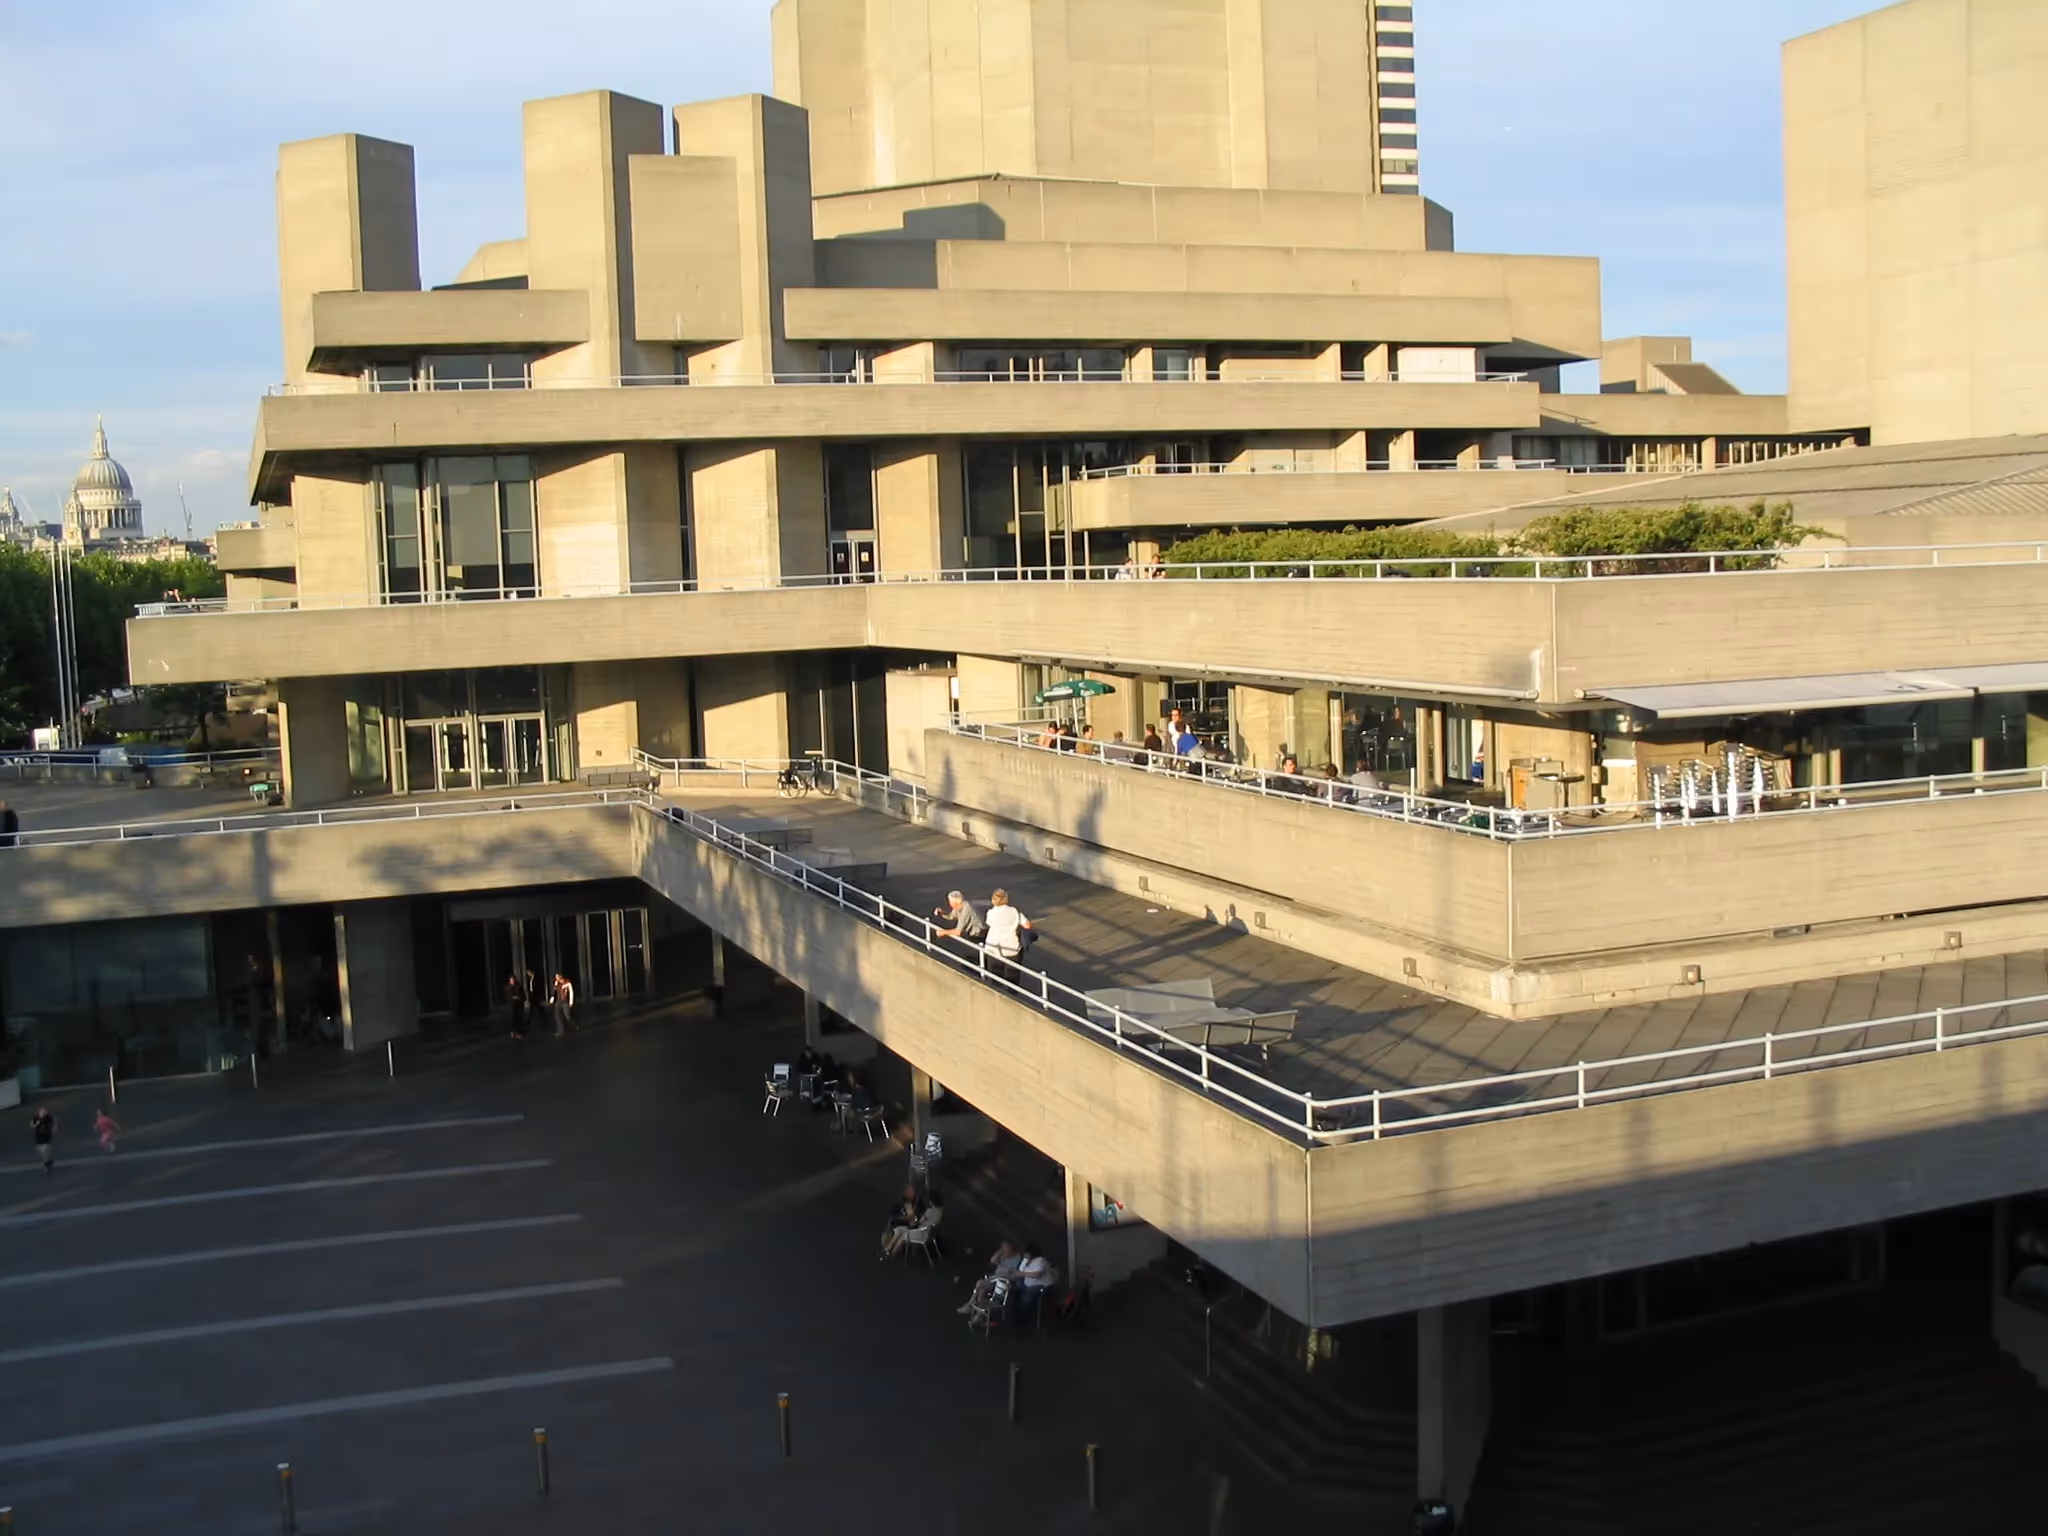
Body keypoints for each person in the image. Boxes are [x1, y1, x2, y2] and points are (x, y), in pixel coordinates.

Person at [957, 1240, 1025, 1315]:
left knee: (980, 1282)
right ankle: (978, 1317)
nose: (1004, 1249)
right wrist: (999, 1252)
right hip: (994, 1279)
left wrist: (1007, 1274)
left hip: (1003, 1282)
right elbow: (992, 1261)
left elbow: (1016, 1274)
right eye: (1002, 1247)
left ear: (1011, 1248)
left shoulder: (1018, 1259)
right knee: (981, 1290)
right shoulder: (1003, 1255)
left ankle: (970, 1304)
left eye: (1005, 1247)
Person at [982, 888, 1035, 980]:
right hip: (1012, 947)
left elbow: (988, 923)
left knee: (995, 977)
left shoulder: (991, 913)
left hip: (994, 947)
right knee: (1012, 976)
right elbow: (1027, 925)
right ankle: (1012, 992)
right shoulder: (1014, 911)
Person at [879, 1182, 930, 1260]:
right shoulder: (901, 1202)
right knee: (899, 1231)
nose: (912, 1193)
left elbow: (922, 1214)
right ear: (905, 1193)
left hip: (913, 1227)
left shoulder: (918, 1202)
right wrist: (904, 1218)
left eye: (913, 1191)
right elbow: (893, 1215)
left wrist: (916, 1219)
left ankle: (890, 1254)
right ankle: (888, 1251)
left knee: (900, 1234)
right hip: (903, 1225)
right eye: (910, 1192)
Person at [934, 890, 988, 955]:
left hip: (979, 935)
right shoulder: (959, 906)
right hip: (974, 934)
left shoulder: (966, 909)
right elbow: (951, 916)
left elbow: (958, 931)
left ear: (953, 903)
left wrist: (943, 932)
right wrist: (942, 912)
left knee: (974, 955)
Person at [31, 1105, 54, 1176]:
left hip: (46, 1137)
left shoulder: (49, 1118)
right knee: (40, 1150)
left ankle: (46, 1163)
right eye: (42, 1111)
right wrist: (36, 1124)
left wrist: (50, 1127)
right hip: (39, 1137)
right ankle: (48, 1161)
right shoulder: (36, 1118)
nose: (43, 1112)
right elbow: (32, 1125)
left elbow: (52, 1124)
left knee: (45, 1149)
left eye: (44, 1111)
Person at [551, 971, 576, 1036]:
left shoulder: (567, 982)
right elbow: (554, 992)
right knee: (557, 1015)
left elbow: (571, 992)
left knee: (568, 1016)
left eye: (557, 976)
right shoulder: (556, 983)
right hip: (558, 1001)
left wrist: (571, 1001)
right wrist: (552, 998)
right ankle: (560, 1031)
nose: (556, 978)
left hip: (564, 1001)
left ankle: (574, 1025)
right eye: (555, 977)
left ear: (560, 976)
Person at [504, 972, 527, 1038]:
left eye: (513, 979)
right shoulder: (507, 987)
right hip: (511, 1006)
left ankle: (518, 1032)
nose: (513, 981)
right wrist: (512, 998)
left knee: (518, 1018)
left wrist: (520, 998)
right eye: (511, 979)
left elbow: (523, 994)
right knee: (512, 1019)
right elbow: (507, 997)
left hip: (518, 1005)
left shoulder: (518, 986)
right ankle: (513, 1032)